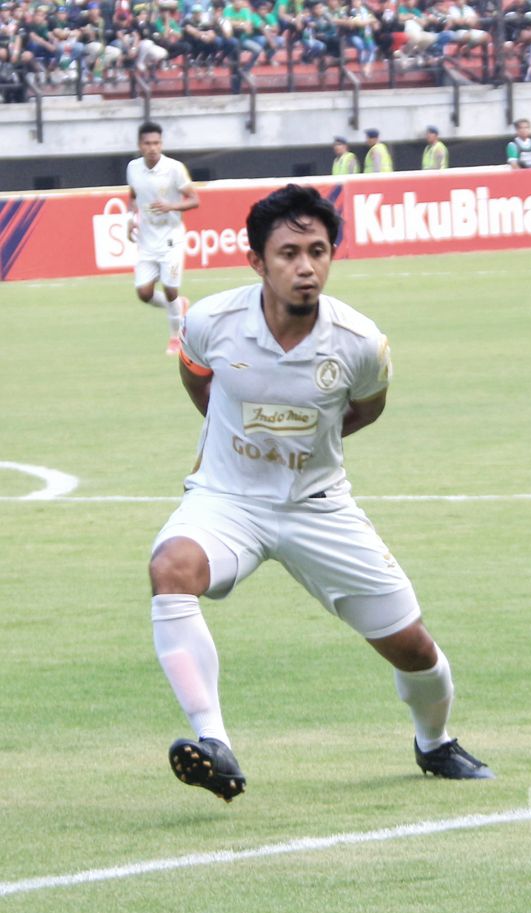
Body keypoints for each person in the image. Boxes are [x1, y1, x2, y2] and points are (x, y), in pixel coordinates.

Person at [149, 184, 493, 803]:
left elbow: (367, 407)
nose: (305, 267)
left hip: (320, 506)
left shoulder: (361, 342)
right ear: (257, 261)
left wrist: (305, 450)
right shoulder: (210, 322)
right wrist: (228, 439)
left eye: (317, 251)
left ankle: (434, 742)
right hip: (227, 501)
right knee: (171, 568)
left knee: (413, 649)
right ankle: (214, 742)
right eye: (287, 253)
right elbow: (196, 374)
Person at [126, 120, 198, 357]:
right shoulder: (133, 168)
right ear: (140, 145)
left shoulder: (175, 168)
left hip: (171, 239)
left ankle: (175, 338)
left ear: (161, 143)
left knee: (170, 290)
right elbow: (133, 194)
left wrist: (171, 205)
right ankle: (180, 306)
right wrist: (130, 217)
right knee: (144, 294)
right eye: (147, 143)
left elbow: (194, 200)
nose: (152, 148)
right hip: (147, 241)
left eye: (156, 143)